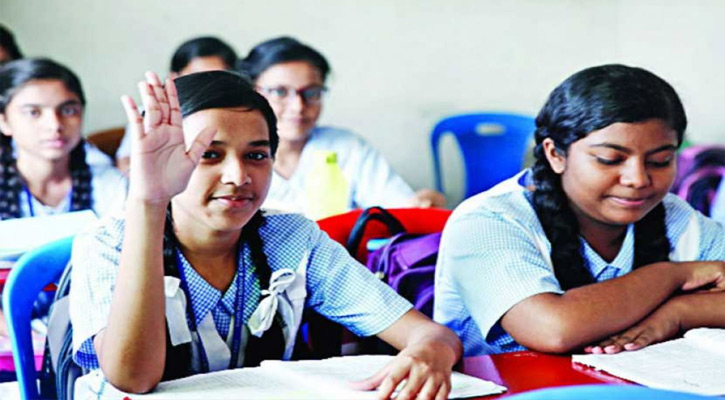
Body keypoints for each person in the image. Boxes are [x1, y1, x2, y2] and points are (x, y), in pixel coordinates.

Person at [69, 70, 461, 399]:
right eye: (209, 155)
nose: (238, 176)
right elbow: (133, 378)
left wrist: (431, 351)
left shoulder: (292, 238)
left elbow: (429, 334)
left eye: (256, 155)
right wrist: (149, 201)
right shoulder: (107, 243)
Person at [434, 64, 725, 357]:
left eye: (660, 161)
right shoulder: (489, 221)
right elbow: (553, 329)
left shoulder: (677, 219)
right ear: (555, 154)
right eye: (609, 159)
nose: (637, 179)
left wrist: (679, 312)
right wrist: (671, 276)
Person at [237, 37, 445, 216]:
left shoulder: (346, 147)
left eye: (312, 93)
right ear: (252, 92)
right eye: (280, 92)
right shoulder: (232, 155)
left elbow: (398, 207)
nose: (298, 106)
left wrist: (420, 203)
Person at [0, 58, 128, 337]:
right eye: (33, 112)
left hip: (91, 332)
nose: (54, 125)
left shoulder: (111, 186)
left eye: (68, 110)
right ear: (4, 121)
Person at [115, 36, 238, 173]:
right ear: (174, 77)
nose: (207, 85)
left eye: (217, 77)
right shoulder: (151, 114)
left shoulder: (241, 113)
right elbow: (125, 161)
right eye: (197, 77)